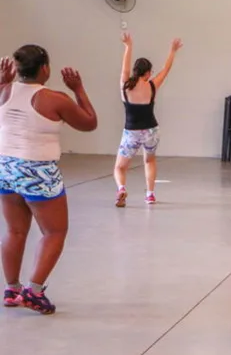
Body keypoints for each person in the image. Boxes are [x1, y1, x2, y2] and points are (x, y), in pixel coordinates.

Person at [0, 47, 97, 314]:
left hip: (6, 168)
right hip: (38, 171)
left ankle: (12, 289)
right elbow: (89, 123)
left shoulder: (4, 91)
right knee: (54, 232)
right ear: (45, 68)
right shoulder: (55, 98)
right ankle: (34, 291)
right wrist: (78, 89)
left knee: (14, 231)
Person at [114, 34, 183, 207]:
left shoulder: (125, 86)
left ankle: (121, 188)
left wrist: (128, 46)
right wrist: (172, 51)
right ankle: (150, 194)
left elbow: (124, 70)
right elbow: (165, 70)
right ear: (148, 73)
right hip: (151, 130)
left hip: (131, 132)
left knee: (120, 167)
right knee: (149, 160)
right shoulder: (151, 86)